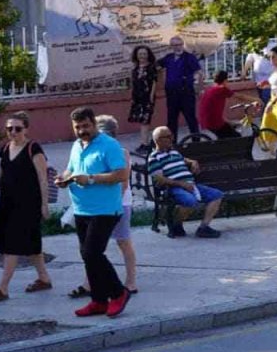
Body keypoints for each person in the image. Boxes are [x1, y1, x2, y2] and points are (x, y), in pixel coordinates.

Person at [56, 107, 132, 318]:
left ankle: (119, 293)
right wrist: (63, 179)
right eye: (77, 127)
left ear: (94, 124)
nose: (82, 131)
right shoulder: (76, 146)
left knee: (92, 253)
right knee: (87, 255)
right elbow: (71, 169)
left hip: (106, 209)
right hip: (82, 208)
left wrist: (91, 179)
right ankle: (98, 300)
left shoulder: (109, 145)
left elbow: (121, 174)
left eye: (86, 126)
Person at [0, 112, 52, 302]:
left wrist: (45, 205)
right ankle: (44, 278)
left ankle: (2, 288)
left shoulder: (33, 148)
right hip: (7, 203)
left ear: (26, 129)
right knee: (32, 244)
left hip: (28, 204)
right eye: (9, 128)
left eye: (18, 128)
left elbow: (43, 179)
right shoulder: (6, 148)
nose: (13, 132)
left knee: (13, 245)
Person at [146, 126, 224, 239]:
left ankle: (203, 228)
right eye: (168, 137)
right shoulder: (154, 158)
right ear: (158, 140)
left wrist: (193, 162)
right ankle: (176, 224)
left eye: (171, 136)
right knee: (190, 201)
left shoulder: (173, 152)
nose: (171, 138)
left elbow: (184, 159)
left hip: (191, 185)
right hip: (174, 188)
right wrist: (181, 184)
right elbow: (159, 179)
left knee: (217, 195)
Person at [91, 115, 138, 294]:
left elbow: (123, 183)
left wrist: (111, 204)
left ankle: (131, 281)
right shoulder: (95, 152)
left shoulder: (121, 152)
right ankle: (90, 282)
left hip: (119, 204)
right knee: (93, 247)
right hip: (100, 204)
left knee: (123, 241)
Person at [158, 36, 202, 140]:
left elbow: (198, 72)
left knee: (190, 118)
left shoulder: (189, 57)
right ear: (171, 46)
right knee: (172, 119)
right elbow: (156, 66)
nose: (177, 47)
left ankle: (196, 141)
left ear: (182, 45)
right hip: (172, 93)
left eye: (179, 44)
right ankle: (173, 143)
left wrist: (196, 85)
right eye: (175, 45)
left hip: (186, 92)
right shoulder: (168, 58)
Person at [128, 46, 156, 151]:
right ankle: (144, 142)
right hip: (137, 98)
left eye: (144, 54)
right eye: (140, 54)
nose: (142, 56)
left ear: (148, 55)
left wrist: (151, 97)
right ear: (136, 55)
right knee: (141, 120)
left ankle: (145, 143)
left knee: (145, 120)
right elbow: (133, 83)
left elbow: (154, 83)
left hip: (147, 98)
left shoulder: (151, 67)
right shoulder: (135, 68)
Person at [198, 71, 238, 139]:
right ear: (225, 80)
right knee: (237, 137)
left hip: (205, 121)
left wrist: (227, 121)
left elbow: (213, 110)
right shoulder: (222, 89)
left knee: (226, 133)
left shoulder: (210, 89)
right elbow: (240, 96)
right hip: (214, 123)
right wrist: (257, 100)